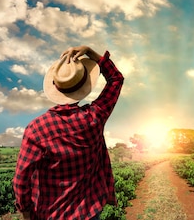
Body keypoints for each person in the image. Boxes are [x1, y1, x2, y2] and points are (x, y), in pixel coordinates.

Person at [13, 45, 124, 220]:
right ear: (85, 86)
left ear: (55, 87)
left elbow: (21, 179)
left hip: (51, 214)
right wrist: (91, 52)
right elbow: (116, 79)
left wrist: (26, 212)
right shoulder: (95, 118)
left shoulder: (36, 129)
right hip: (89, 210)